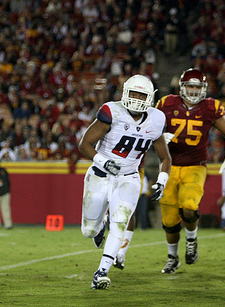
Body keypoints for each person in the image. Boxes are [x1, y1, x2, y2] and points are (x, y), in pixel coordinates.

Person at [78, 75, 171, 290]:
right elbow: (85, 144)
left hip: (129, 176)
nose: (137, 99)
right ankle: (99, 225)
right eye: (134, 93)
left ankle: (102, 271)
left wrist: (161, 181)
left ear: (151, 98)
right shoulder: (112, 111)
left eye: (142, 95)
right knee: (88, 231)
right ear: (125, 93)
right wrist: (105, 161)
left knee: (120, 221)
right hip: (101, 174)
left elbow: (165, 157)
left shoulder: (157, 119)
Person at [155, 68, 225, 273]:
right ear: (182, 87)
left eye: (197, 86)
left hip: (195, 166)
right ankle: (172, 257)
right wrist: (158, 135)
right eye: (190, 86)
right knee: (170, 221)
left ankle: (191, 241)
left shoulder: (210, 107)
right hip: (169, 167)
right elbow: (149, 126)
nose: (193, 90)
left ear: (204, 88)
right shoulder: (166, 104)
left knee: (189, 206)